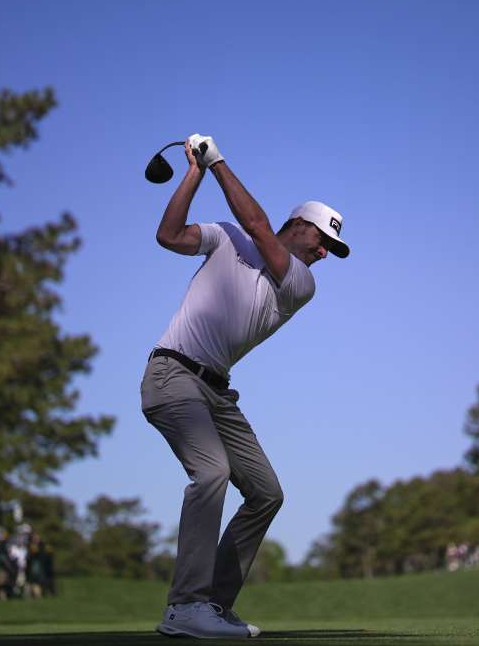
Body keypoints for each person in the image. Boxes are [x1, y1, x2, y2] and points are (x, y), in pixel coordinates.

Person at [143, 134, 349, 639]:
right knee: (211, 473)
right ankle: (184, 606)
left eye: (330, 248)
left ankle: (211, 605)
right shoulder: (224, 237)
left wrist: (217, 162)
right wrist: (194, 170)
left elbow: (258, 226)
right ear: (298, 224)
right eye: (322, 239)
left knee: (265, 493)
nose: (324, 252)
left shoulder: (300, 280)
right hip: (172, 374)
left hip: (216, 393)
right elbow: (168, 235)